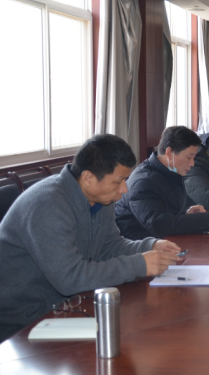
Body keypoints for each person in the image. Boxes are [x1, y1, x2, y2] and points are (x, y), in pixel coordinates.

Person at [0, 134, 182, 342]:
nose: (124, 189)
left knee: (139, 324)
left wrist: (150, 246)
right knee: (126, 332)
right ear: (88, 178)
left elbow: (109, 247)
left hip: (63, 307)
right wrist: (139, 264)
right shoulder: (47, 205)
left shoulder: (100, 198)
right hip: (21, 323)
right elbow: (70, 279)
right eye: (119, 181)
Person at [115, 126, 209, 239]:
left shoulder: (171, 172)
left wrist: (185, 213)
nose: (192, 163)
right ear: (169, 153)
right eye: (189, 157)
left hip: (163, 241)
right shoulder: (142, 182)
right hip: (141, 247)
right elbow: (160, 225)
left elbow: (164, 211)